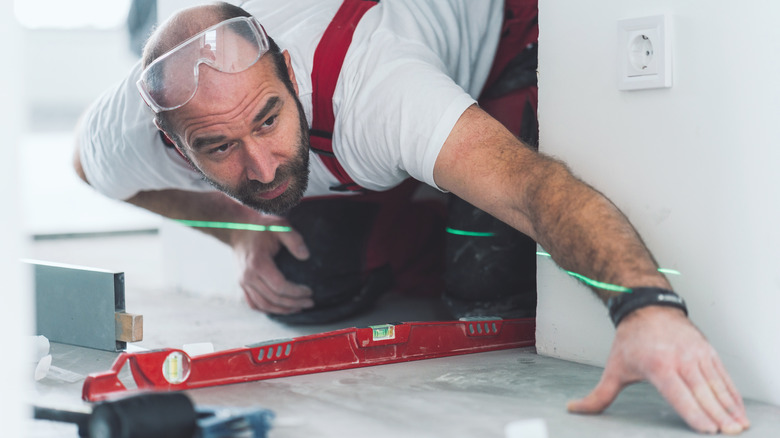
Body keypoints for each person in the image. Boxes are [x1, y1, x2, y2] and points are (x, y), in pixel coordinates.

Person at [73, 0, 750, 433]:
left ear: (287, 68)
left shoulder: (377, 88)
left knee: (485, 286)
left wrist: (646, 308)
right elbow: (86, 169)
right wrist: (236, 229)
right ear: (171, 144)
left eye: (268, 118)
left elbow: (535, 191)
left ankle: (446, 196)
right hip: (358, 135)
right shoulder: (132, 127)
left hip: (494, 36)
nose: (259, 166)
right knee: (314, 281)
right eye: (219, 148)